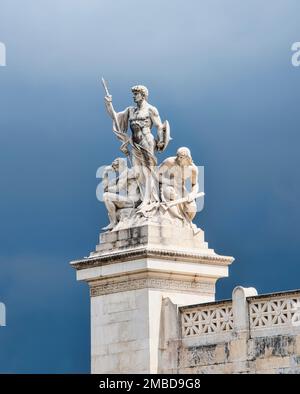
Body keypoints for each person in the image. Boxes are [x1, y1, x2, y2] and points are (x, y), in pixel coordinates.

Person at [104, 85, 170, 212]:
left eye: (136, 94)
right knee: (138, 172)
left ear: (143, 95)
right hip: (135, 143)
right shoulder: (130, 110)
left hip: (147, 141)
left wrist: (161, 141)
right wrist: (108, 104)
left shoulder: (151, 109)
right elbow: (116, 117)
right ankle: (143, 198)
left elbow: (160, 126)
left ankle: (149, 200)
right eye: (133, 94)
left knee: (148, 171)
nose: (134, 96)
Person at [158, 147, 199, 223]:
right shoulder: (169, 162)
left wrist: (193, 194)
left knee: (192, 207)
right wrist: (168, 182)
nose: (179, 159)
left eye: (182, 157)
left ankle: (186, 223)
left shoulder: (193, 169)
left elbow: (194, 184)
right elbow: (156, 175)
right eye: (178, 156)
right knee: (170, 194)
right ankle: (174, 220)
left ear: (188, 158)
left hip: (180, 188)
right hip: (166, 185)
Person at [102, 158, 140, 231]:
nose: (116, 170)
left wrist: (107, 189)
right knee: (109, 203)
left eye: (116, 168)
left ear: (120, 165)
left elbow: (118, 188)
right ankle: (114, 222)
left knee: (106, 196)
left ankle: (114, 222)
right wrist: (105, 173)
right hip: (132, 200)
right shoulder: (123, 175)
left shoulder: (126, 173)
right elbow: (108, 185)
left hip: (133, 201)